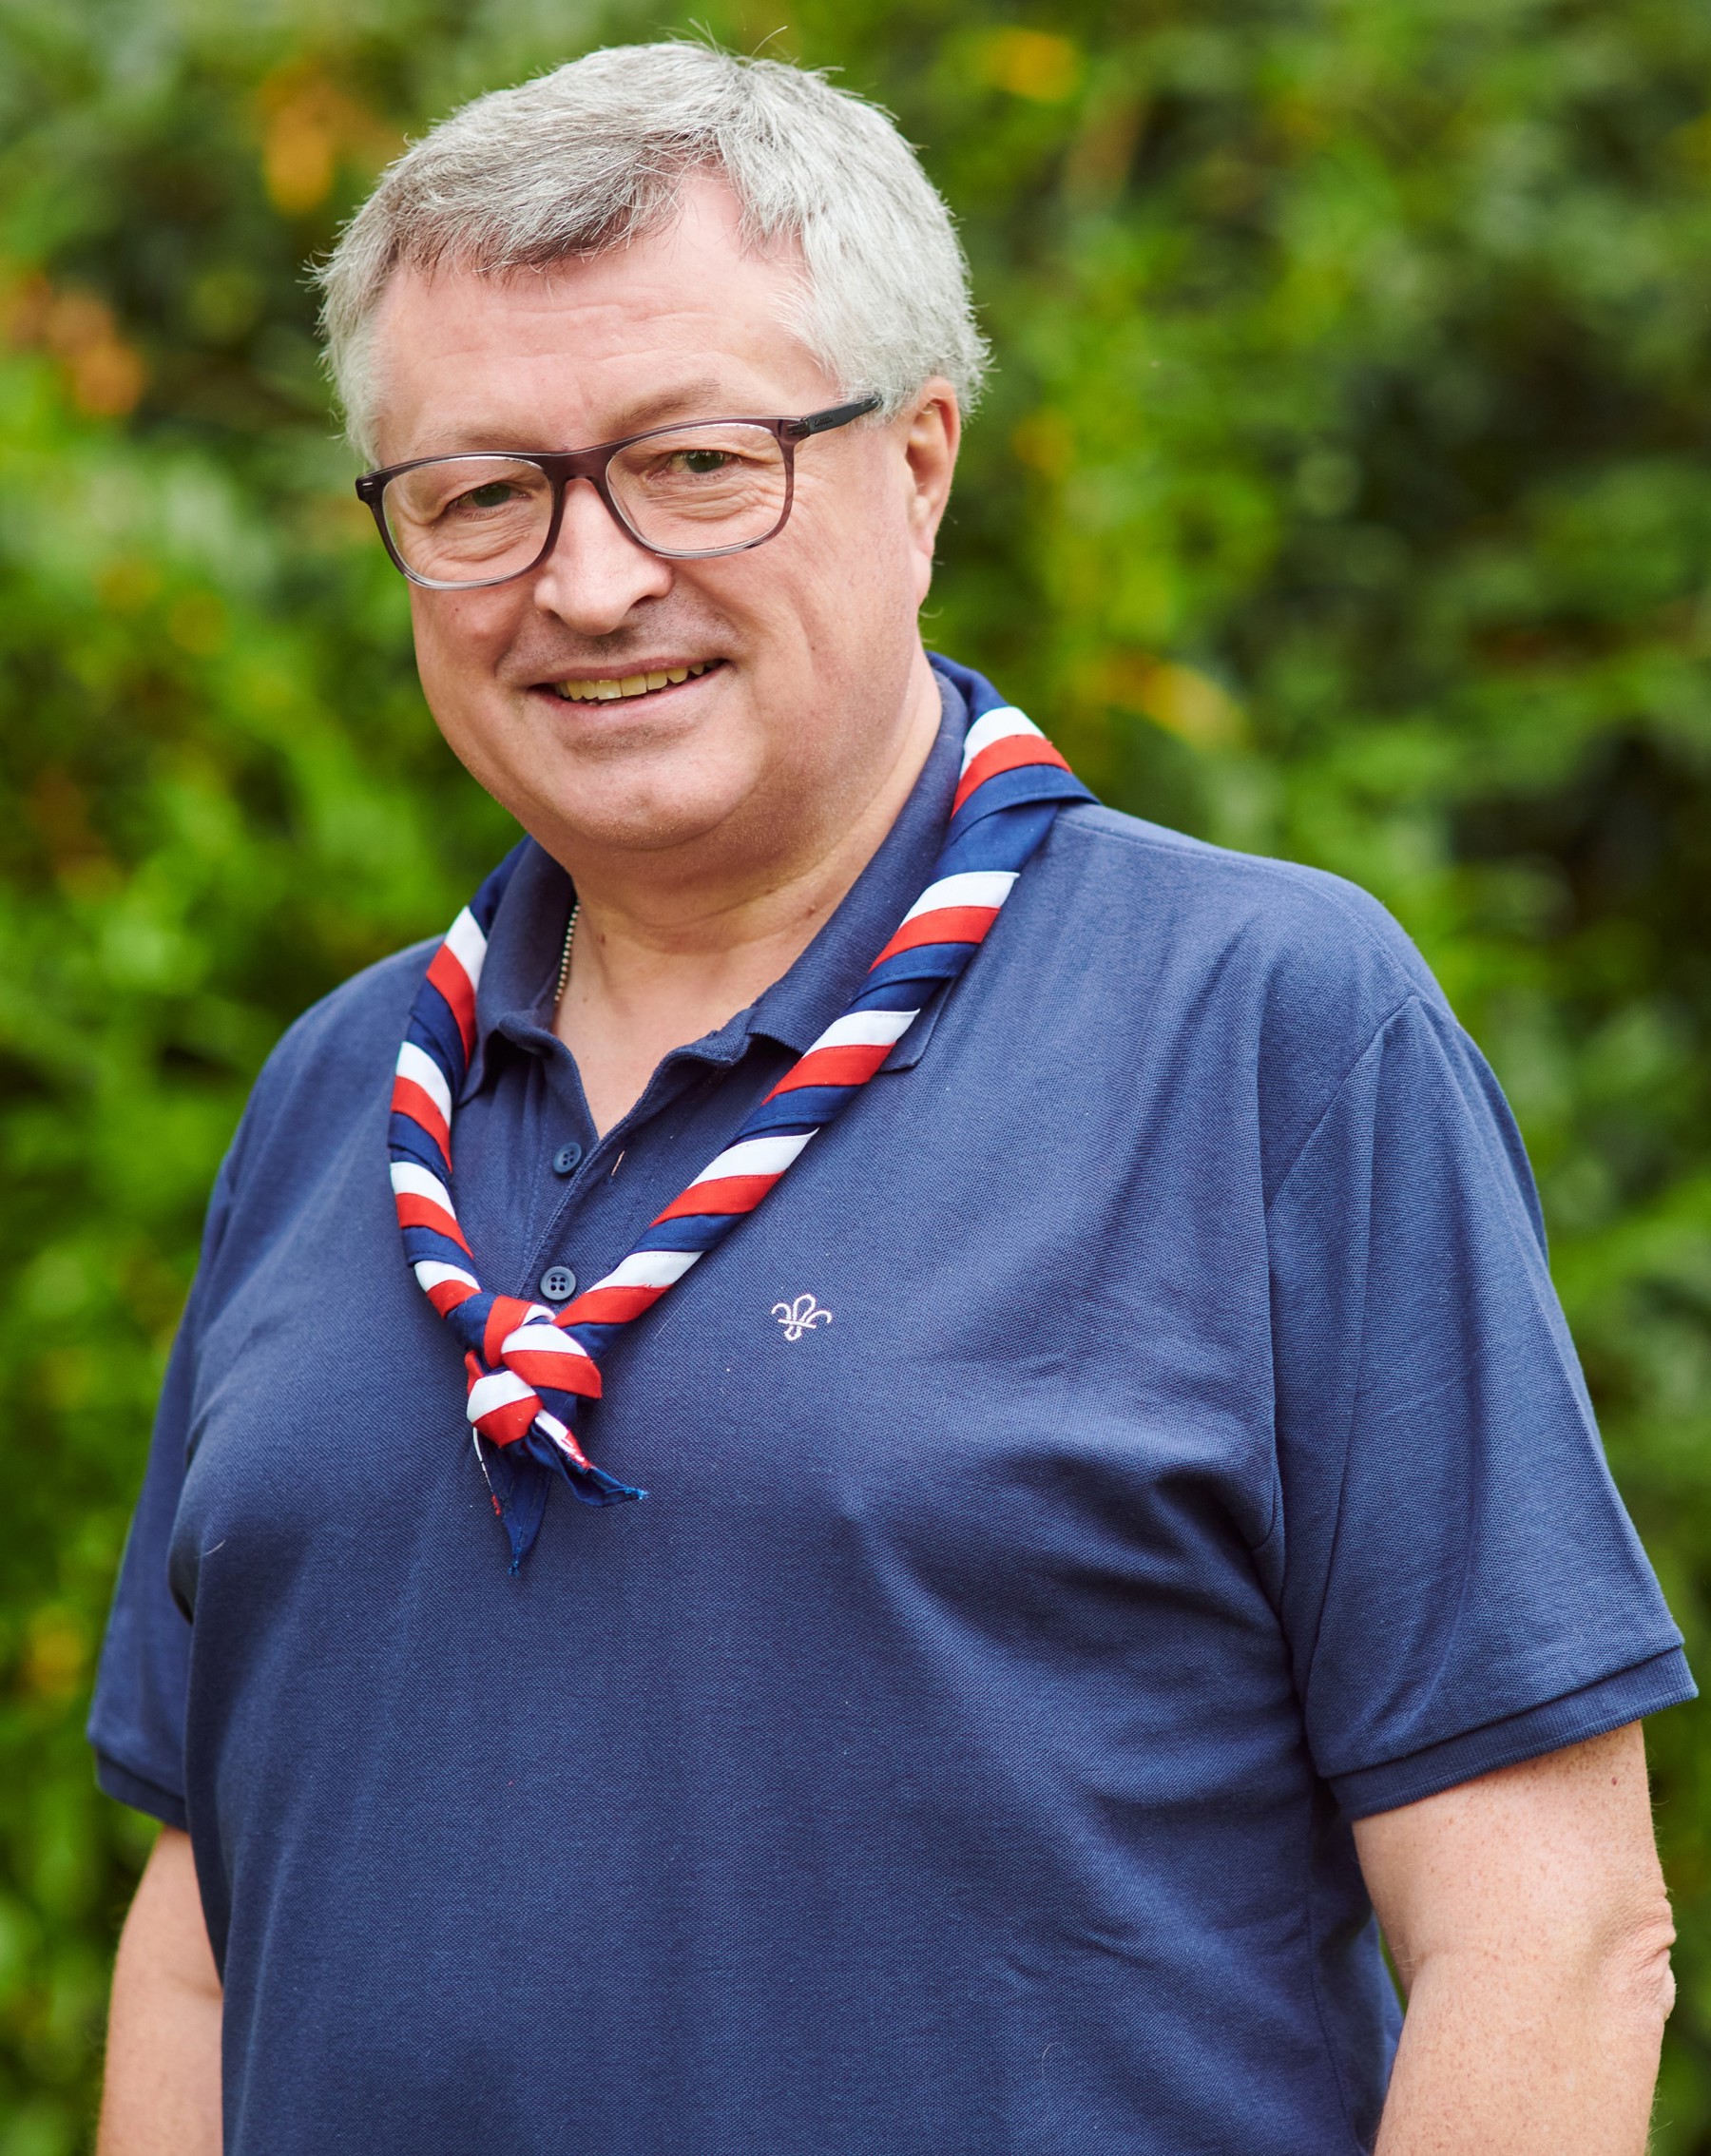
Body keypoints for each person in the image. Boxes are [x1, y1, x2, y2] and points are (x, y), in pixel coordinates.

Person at [89, 42, 1694, 2156]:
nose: (586, 584)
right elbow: (208, 1926)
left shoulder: (1263, 1029)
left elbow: (1551, 1932)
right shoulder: (338, 1096)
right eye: (481, 492)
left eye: (692, 463)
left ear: (920, 461)